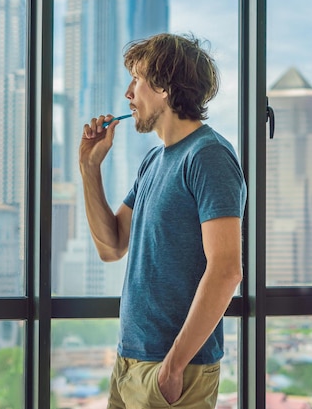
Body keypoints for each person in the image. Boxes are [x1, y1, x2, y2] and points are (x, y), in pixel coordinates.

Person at [79, 33, 247, 409]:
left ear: (165, 87)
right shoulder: (153, 162)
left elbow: (226, 271)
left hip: (172, 373)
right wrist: (90, 168)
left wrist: (172, 369)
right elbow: (112, 247)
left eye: (136, 80)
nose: (128, 94)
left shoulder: (209, 157)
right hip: (129, 363)